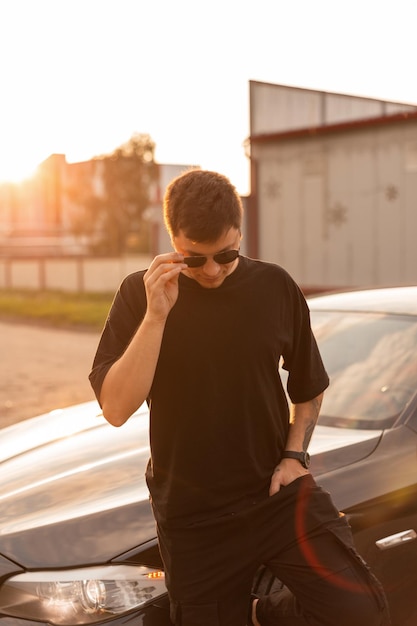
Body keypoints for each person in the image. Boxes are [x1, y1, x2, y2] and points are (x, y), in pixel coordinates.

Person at [89, 169, 390, 626]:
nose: (211, 270)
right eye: (195, 258)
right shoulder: (140, 293)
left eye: (226, 255)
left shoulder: (275, 286)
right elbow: (116, 408)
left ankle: (255, 614)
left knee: (359, 609)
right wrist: (155, 317)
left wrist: (295, 455)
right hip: (194, 517)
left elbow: (309, 385)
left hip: (275, 494)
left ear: (241, 233)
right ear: (172, 241)